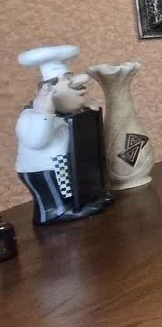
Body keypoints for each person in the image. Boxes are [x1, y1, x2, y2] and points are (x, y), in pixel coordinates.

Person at [15, 45, 112, 224]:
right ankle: (54, 212)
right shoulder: (30, 116)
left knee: (69, 187)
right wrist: (44, 113)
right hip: (42, 169)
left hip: (62, 163)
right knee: (53, 191)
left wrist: (86, 108)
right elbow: (36, 140)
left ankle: (81, 202)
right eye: (67, 80)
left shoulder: (63, 114)